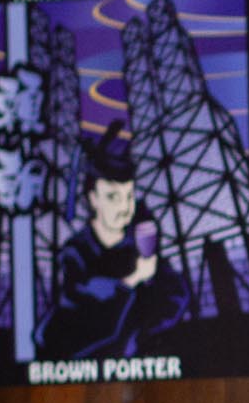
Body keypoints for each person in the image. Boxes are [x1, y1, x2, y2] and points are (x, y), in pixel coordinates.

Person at [40, 133, 183, 362]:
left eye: (129, 197)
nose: (125, 208)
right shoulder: (76, 252)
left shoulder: (138, 242)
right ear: (93, 198)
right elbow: (82, 309)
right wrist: (133, 280)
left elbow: (176, 295)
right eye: (113, 197)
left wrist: (141, 331)